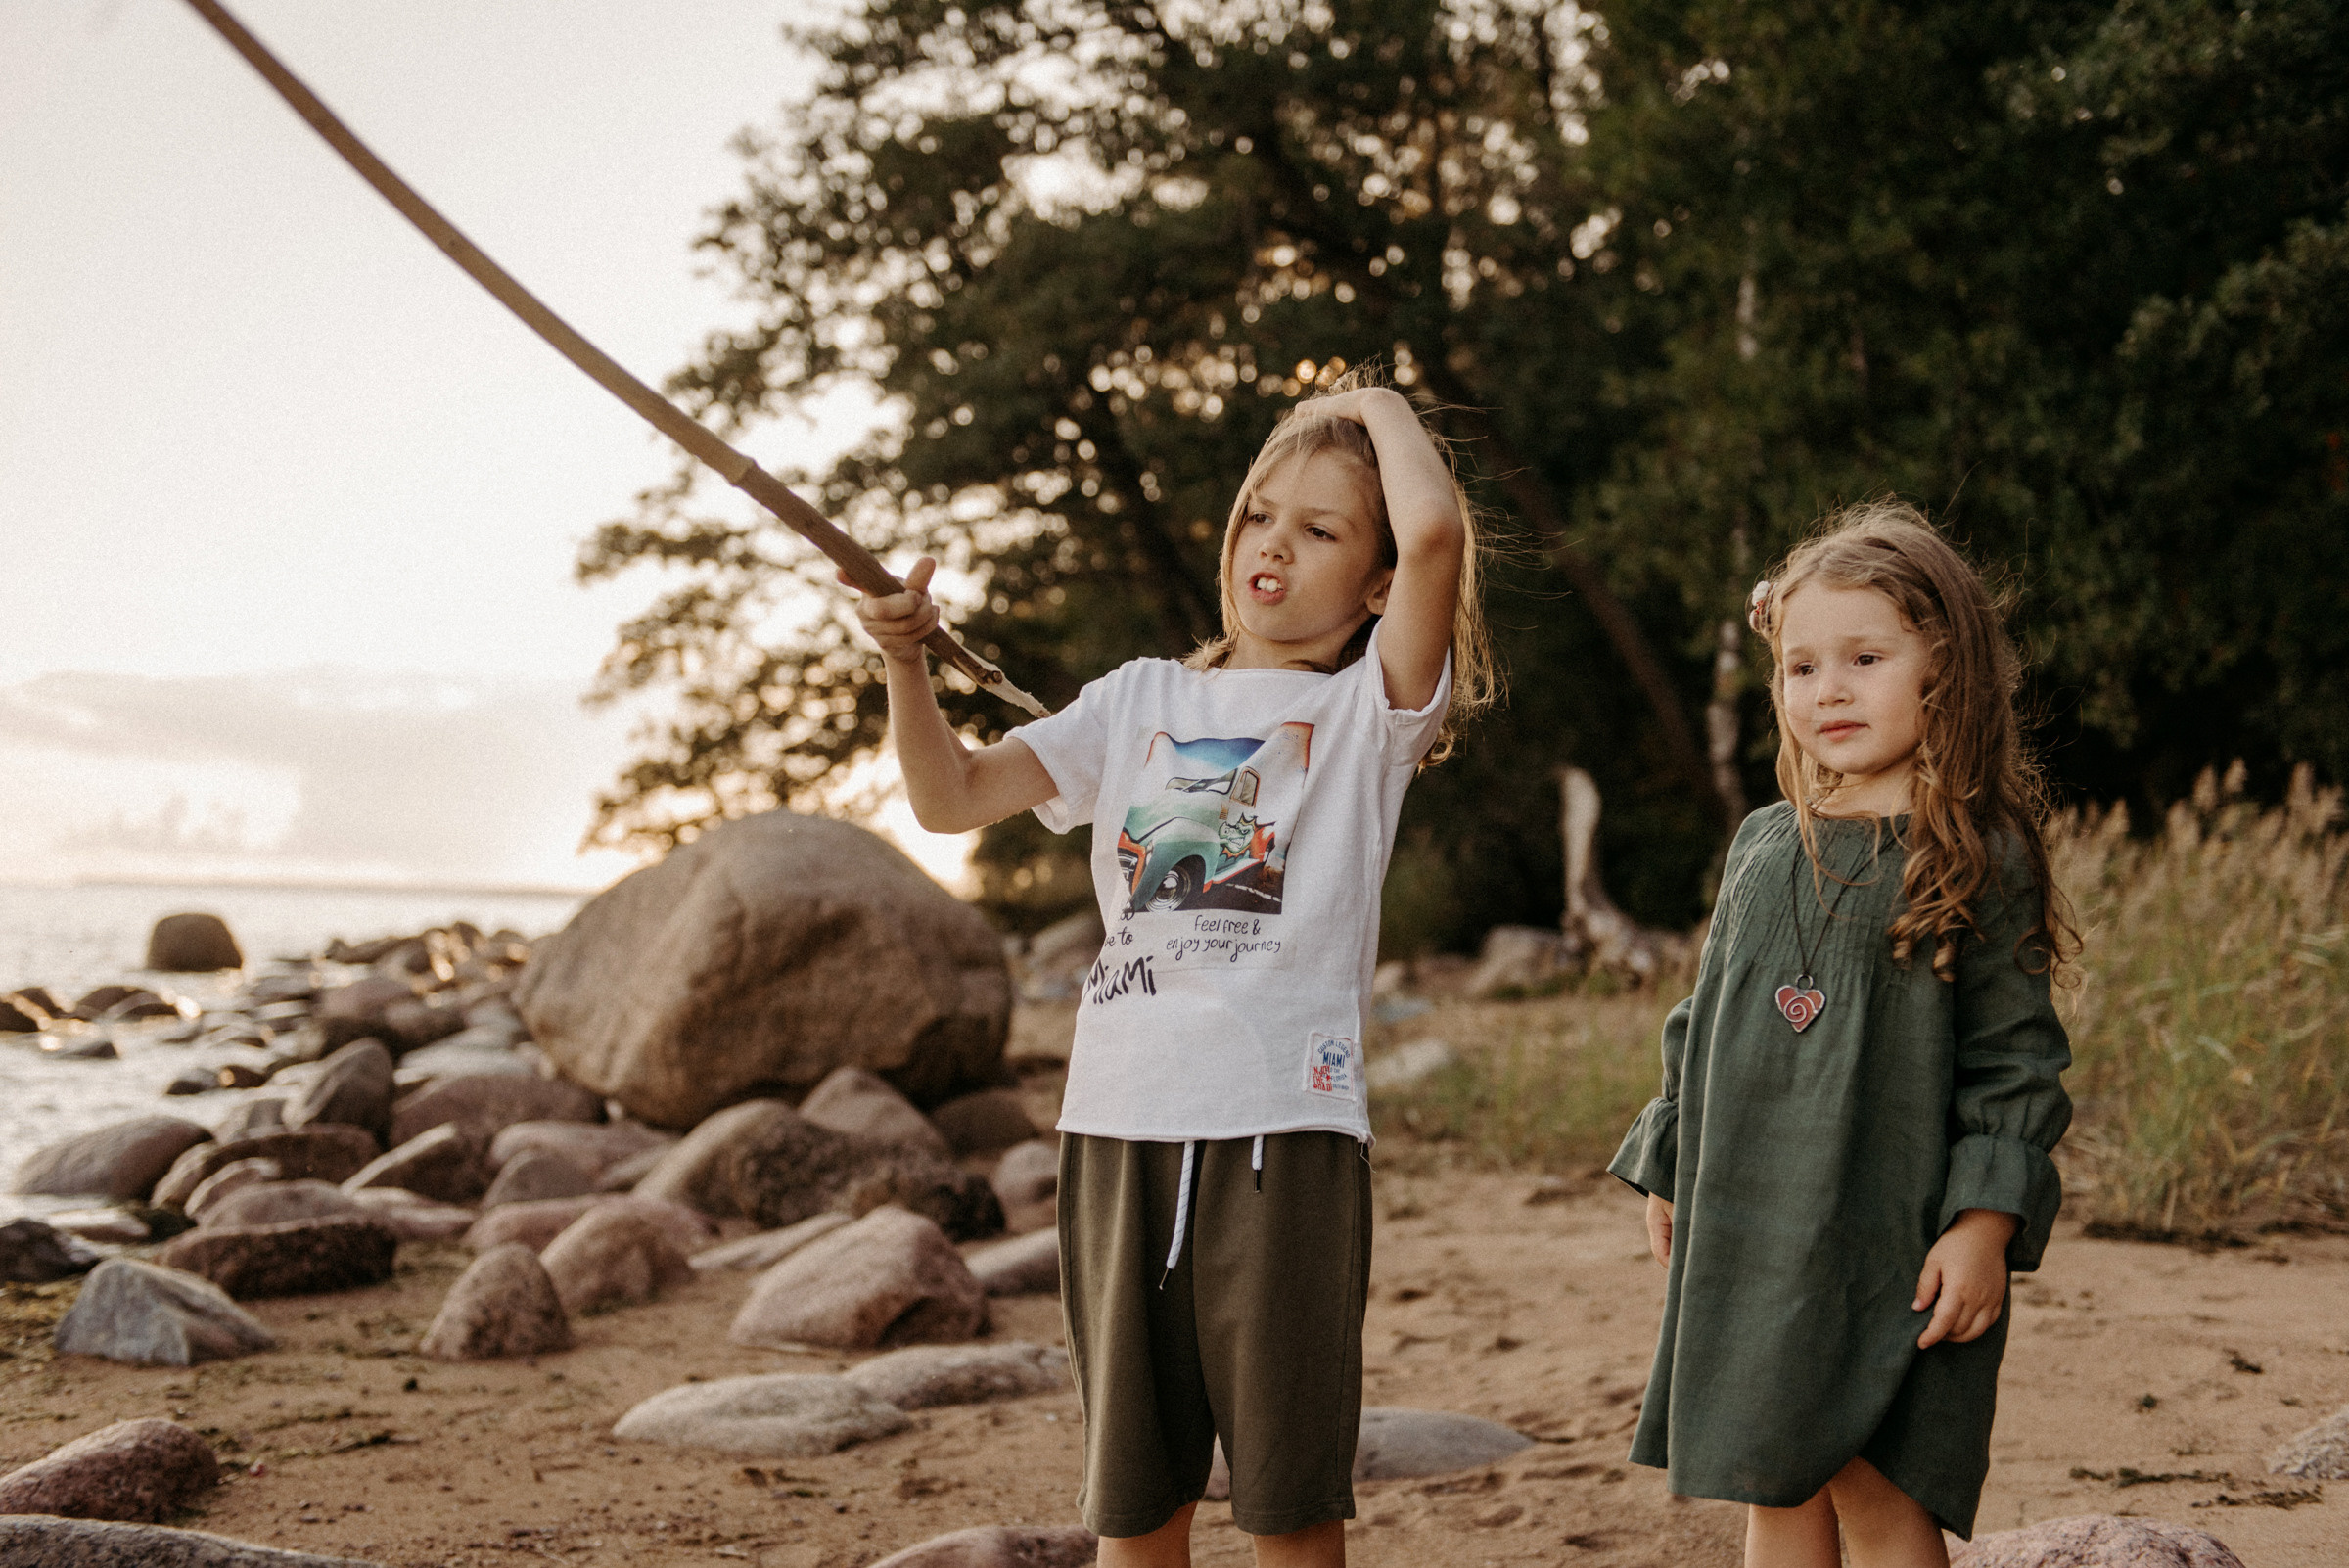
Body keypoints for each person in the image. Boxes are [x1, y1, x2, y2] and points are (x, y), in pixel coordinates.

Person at [848, 372, 1494, 1568]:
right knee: (1138, 1514)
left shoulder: (1371, 715)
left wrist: (1376, 400)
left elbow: (1443, 528)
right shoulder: (1138, 699)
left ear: (1379, 584)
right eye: (1259, 513)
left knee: (1290, 1510)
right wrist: (905, 666)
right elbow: (949, 798)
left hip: (1284, 1139)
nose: (1274, 547)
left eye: (1321, 530)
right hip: (1116, 1129)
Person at [1609, 500, 2078, 1566]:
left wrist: (1985, 1227)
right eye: (1803, 666)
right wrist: (1673, 1161)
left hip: (1889, 1235)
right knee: (1774, 1478)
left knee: (1877, 1479)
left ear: (1941, 670)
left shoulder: (1975, 854)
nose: (1828, 689)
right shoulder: (1765, 842)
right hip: (1758, 1223)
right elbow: (1706, 1019)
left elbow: (2016, 1062)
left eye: (1864, 657)